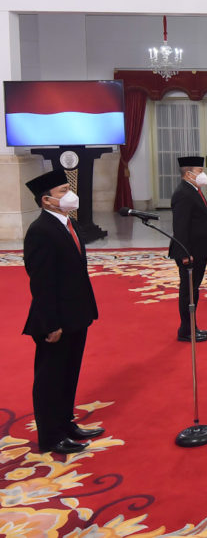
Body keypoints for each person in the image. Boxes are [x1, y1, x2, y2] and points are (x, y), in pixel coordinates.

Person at [22, 169, 105, 455]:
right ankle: (50, 436)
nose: (69, 195)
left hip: (76, 314)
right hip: (54, 320)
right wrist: (51, 324)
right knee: (51, 378)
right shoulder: (41, 231)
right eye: (62, 192)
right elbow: (41, 282)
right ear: (46, 200)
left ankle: (66, 423)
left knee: (69, 373)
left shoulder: (68, 223)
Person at [170, 156, 207, 343]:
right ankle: (186, 330)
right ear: (188, 174)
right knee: (188, 290)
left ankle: (192, 326)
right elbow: (180, 227)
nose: (203, 175)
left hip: (199, 249)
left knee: (194, 289)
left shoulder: (193, 189)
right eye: (199, 172)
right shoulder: (183, 193)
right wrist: (184, 253)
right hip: (189, 252)